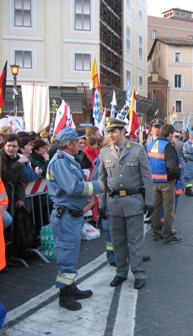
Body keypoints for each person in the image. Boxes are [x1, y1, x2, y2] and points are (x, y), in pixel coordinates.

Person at [46, 128, 105, 311]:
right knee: (66, 256)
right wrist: (97, 186)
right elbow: (73, 187)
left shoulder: (67, 161)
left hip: (71, 215)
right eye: (77, 141)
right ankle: (65, 295)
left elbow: (72, 189)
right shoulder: (60, 162)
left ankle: (70, 287)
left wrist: (86, 202)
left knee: (71, 255)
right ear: (69, 144)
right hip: (66, 217)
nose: (81, 144)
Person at [98, 117, 154, 290]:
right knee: (118, 241)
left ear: (123, 131)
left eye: (113, 131)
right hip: (114, 203)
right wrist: (101, 204)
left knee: (135, 240)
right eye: (108, 132)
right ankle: (121, 272)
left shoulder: (137, 150)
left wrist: (149, 201)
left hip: (133, 202)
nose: (110, 135)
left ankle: (138, 273)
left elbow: (147, 177)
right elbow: (102, 179)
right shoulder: (105, 152)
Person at [147, 124, 182, 244]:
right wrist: (175, 178)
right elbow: (172, 166)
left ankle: (156, 232)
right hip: (167, 181)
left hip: (154, 181)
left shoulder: (151, 145)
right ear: (170, 134)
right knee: (168, 208)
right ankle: (168, 234)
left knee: (156, 208)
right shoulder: (167, 146)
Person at [0, 134, 26, 209]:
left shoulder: (18, 158)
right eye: (9, 145)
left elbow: (20, 180)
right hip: (2, 198)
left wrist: (21, 198)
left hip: (13, 198)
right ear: (4, 145)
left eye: (14, 146)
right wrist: (18, 164)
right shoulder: (1, 157)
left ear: (18, 147)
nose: (11, 148)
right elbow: (6, 177)